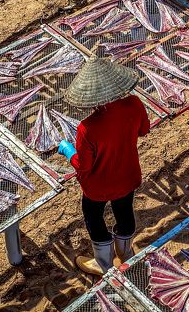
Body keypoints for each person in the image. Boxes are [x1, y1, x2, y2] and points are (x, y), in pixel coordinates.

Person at [57, 58, 150, 275]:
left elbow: (84, 166)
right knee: (124, 210)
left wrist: (69, 151)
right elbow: (143, 130)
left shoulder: (86, 128)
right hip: (127, 176)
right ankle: (125, 254)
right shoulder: (135, 104)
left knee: (93, 216)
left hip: (97, 187)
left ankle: (103, 263)